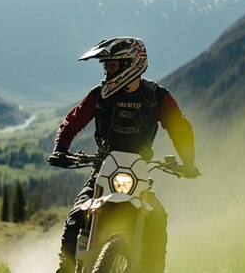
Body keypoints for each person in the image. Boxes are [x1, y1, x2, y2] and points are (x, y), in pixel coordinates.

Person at [48, 37, 200, 273]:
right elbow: (73, 120)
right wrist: (61, 148)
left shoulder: (157, 97)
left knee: (157, 218)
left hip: (138, 173)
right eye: (106, 66)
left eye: (112, 66)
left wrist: (187, 161)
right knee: (76, 216)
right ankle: (65, 269)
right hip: (103, 169)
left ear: (132, 64)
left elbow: (179, 128)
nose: (108, 72)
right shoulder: (99, 95)